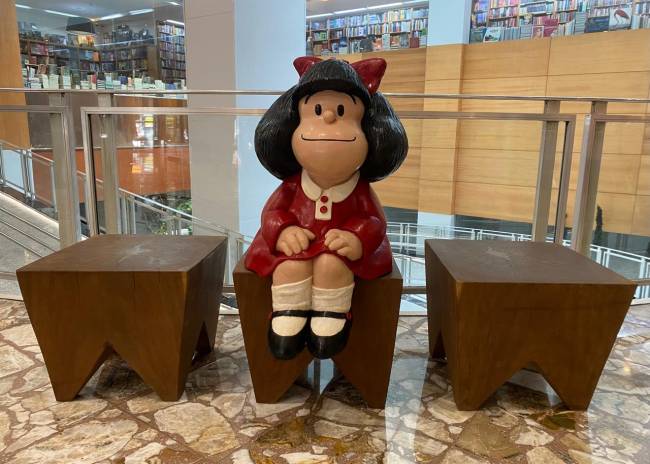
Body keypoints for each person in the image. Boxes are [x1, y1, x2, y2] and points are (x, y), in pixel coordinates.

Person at [246, 57, 408, 360]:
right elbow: (272, 212)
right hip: (298, 245)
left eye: (342, 111)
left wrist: (358, 236)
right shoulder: (293, 186)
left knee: (331, 266)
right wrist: (283, 230)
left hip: (339, 249)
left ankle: (332, 313)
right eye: (317, 110)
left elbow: (373, 219)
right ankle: (288, 311)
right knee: (290, 266)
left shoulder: (359, 190)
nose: (330, 118)